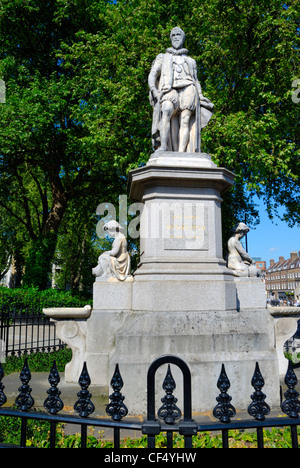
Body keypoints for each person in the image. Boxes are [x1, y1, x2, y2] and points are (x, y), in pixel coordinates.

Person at [148, 27, 214, 153]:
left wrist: (200, 95)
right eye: (173, 35)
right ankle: (163, 146)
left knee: (185, 120)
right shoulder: (163, 57)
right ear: (170, 38)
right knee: (166, 110)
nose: (176, 37)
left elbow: (195, 80)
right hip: (169, 89)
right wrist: (153, 90)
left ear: (183, 38)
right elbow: (152, 74)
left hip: (189, 89)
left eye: (179, 34)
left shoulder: (190, 61)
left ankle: (181, 152)